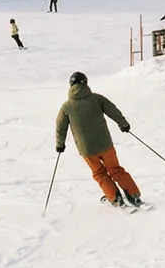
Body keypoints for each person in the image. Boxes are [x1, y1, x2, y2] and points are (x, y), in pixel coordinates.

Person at [55, 71, 141, 208]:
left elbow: (60, 127)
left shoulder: (67, 107)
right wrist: (123, 124)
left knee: (99, 173)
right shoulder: (97, 99)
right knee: (116, 170)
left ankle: (115, 197)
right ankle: (134, 194)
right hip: (105, 144)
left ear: (71, 85)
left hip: (87, 149)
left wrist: (60, 145)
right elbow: (113, 110)